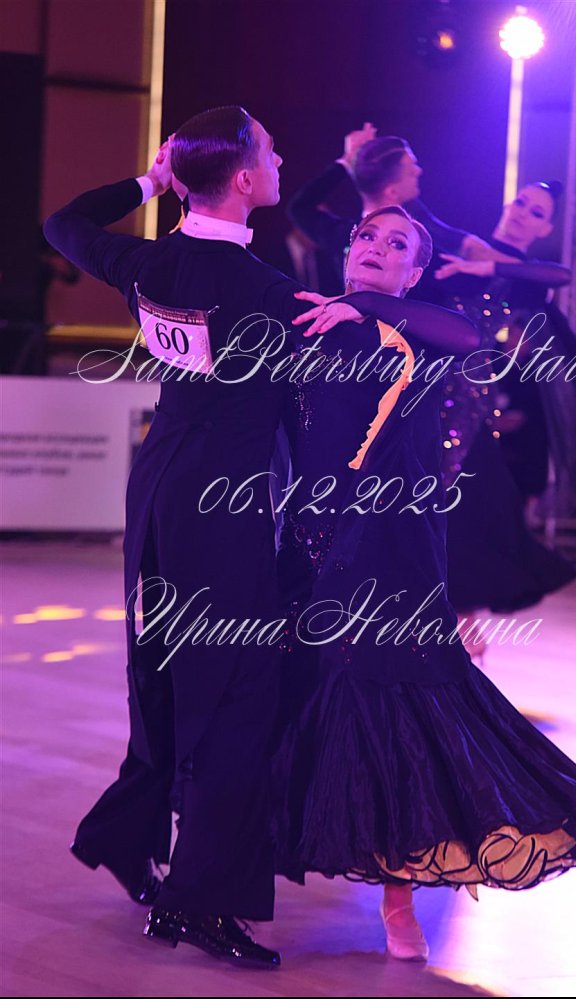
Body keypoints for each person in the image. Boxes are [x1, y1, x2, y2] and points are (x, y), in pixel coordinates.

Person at [43, 106, 438, 969]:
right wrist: (368, 306)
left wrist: (150, 181)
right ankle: (203, 901)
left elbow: (63, 223)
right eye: (270, 147)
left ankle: (127, 835)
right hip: (222, 508)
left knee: (162, 669)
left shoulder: (151, 261)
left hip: (157, 489)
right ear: (249, 179)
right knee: (238, 696)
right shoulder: (266, 292)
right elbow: (402, 335)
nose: (282, 154)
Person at [271, 206, 576, 962]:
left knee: (397, 716)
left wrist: (366, 305)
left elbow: (467, 336)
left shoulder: (416, 330)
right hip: (306, 546)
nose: (376, 247)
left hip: (387, 552)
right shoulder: (307, 324)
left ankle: (398, 896)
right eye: (366, 237)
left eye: (397, 244)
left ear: (414, 272)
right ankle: (255, 858)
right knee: (298, 704)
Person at [432, 181, 576, 610]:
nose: (522, 213)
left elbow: (560, 276)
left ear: (545, 228)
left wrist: (489, 266)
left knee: (469, 504)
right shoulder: (463, 245)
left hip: (467, 402)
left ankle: (460, 614)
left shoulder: (526, 279)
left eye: (536, 212)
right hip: (425, 386)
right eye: (521, 202)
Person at [287, 122, 491, 290]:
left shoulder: (421, 236)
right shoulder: (416, 242)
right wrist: (347, 163)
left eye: (397, 244)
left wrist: (346, 162)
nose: (419, 171)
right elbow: (299, 208)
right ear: (392, 192)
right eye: (411, 171)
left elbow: (301, 207)